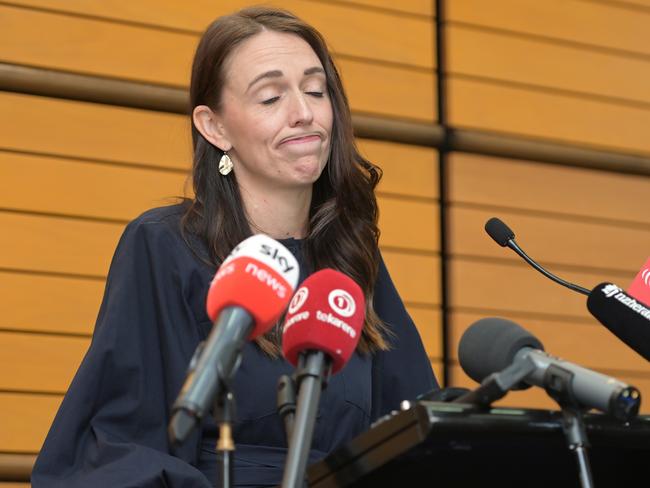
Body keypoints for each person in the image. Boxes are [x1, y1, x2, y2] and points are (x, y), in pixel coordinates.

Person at [32, 6, 438, 487]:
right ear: (214, 127)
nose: (304, 112)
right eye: (270, 97)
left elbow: (418, 429)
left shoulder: (349, 262)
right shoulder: (165, 246)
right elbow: (122, 445)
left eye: (315, 90)